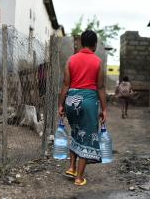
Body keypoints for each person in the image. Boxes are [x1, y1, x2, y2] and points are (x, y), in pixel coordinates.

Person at [58, 30, 107, 186]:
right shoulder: (98, 62)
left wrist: (61, 104)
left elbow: (66, 84)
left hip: (71, 100)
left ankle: (72, 167)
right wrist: (104, 109)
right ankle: (79, 177)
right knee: (86, 137)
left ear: (80, 43)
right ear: (95, 44)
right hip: (88, 101)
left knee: (76, 132)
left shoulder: (71, 60)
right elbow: (100, 87)